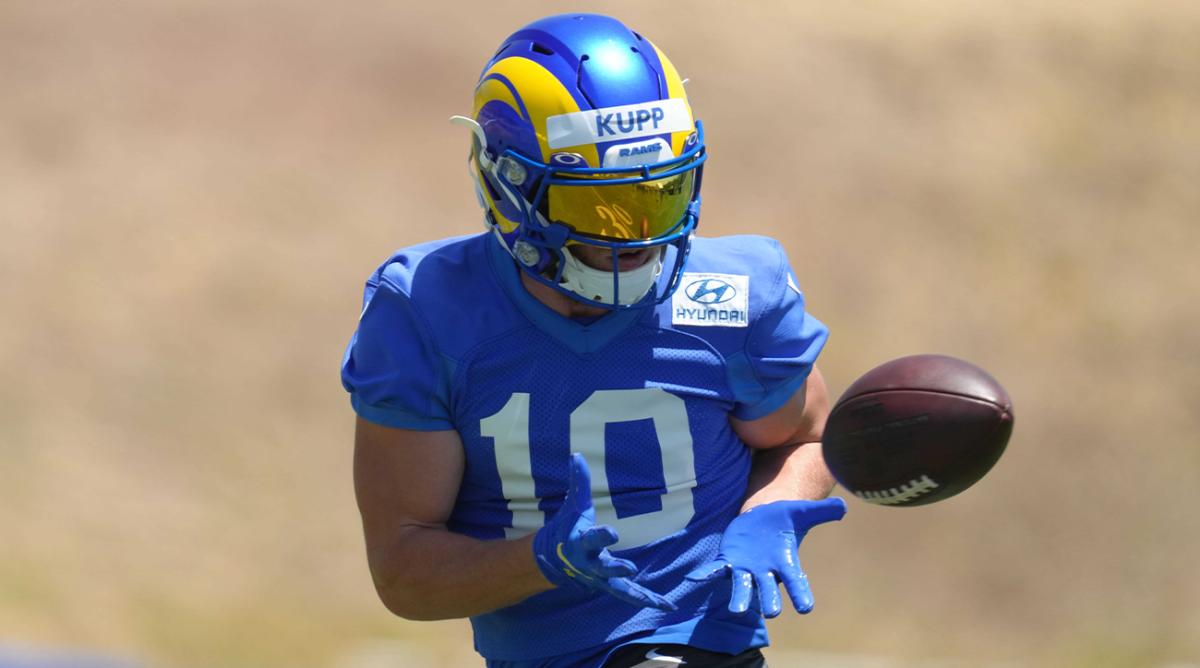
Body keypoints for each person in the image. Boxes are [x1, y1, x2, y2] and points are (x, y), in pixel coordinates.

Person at [342, 13, 846, 668]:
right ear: (510, 190)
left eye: (656, 196)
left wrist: (770, 511)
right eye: (598, 207)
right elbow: (405, 571)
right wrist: (542, 561)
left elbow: (808, 436)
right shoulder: (426, 311)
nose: (633, 237)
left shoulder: (735, 294)